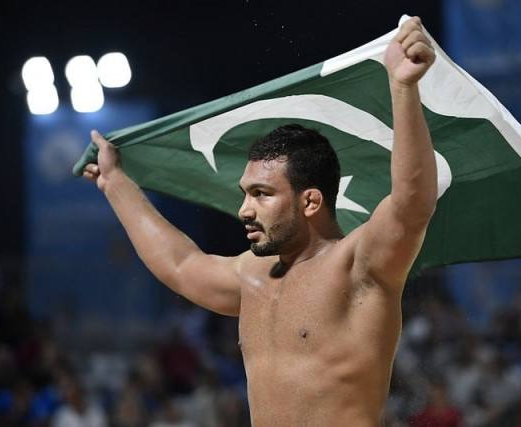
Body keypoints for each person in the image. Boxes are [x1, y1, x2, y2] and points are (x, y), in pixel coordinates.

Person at [83, 16, 437, 426]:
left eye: (262, 194)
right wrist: (115, 184)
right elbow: (179, 265)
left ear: (310, 201)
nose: (244, 210)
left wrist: (403, 88)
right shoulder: (252, 277)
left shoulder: (358, 265)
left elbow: (412, 204)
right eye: (245, 194)